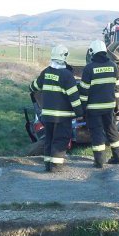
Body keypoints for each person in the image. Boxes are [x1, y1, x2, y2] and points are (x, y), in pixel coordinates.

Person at [29, 44, 82, 172]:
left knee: (49, 139)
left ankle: (48, 165)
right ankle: (56, 166)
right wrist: (79, 112)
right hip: (62, 117)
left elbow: (33, 87)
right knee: (60, 140)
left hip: (47, 116)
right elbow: (74, 97)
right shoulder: (67, 75)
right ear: (64, 57)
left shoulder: (46, 72)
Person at [79, 39, 119, 167]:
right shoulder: (113, 66)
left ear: (92, 52)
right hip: (109, 107)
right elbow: (117, 89)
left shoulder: (89, 68)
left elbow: (84, 92)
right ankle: (118, 157)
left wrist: (82, 109)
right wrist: (116, 104)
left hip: (93, 109)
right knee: (112, 131)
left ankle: (99, 162)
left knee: (97, 133)